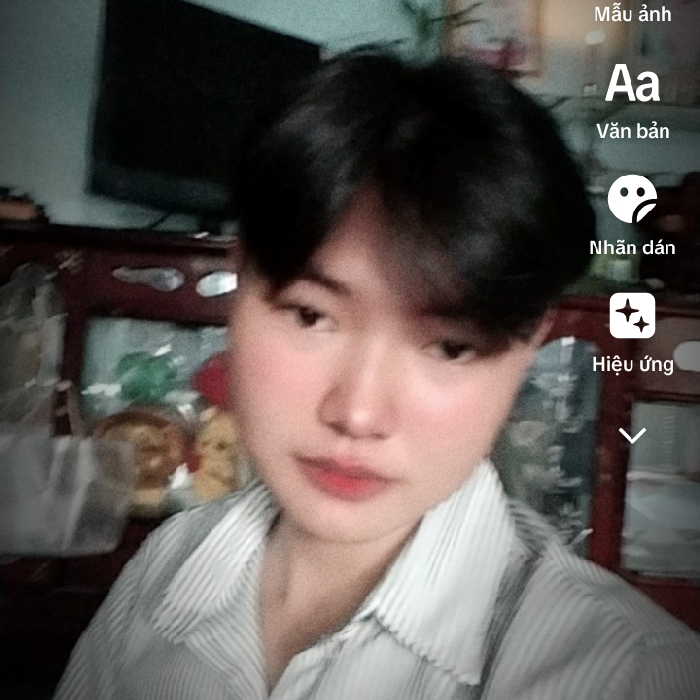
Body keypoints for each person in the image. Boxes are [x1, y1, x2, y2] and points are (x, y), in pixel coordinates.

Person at [54, 54, 700, 700]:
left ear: (532, 339)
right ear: (239, 276)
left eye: (449, 347)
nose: (358, 414)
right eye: (311, 315)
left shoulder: (634, 677)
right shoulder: (166, 569)